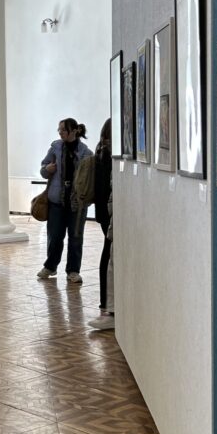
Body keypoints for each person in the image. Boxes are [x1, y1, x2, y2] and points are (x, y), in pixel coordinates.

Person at [38, 118, 92, 282]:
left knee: (75, 238)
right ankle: (50, 266)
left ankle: (73, 271)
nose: (60, 132)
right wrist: (47, 169)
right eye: (59, 129)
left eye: (63, 129)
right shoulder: (55, 148)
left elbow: (90, 177)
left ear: (74, 131)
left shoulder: (86, 153)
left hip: (77, 202)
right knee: (54, 236)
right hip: (57, 200)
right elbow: (43, 169)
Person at [93, 119, 114, 311]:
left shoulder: (100, 151)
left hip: (102, 211)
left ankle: (105, 299)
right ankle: (106, 300)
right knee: (108, 254)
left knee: (107, 252)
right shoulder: (108, 155)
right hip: (107, 211)